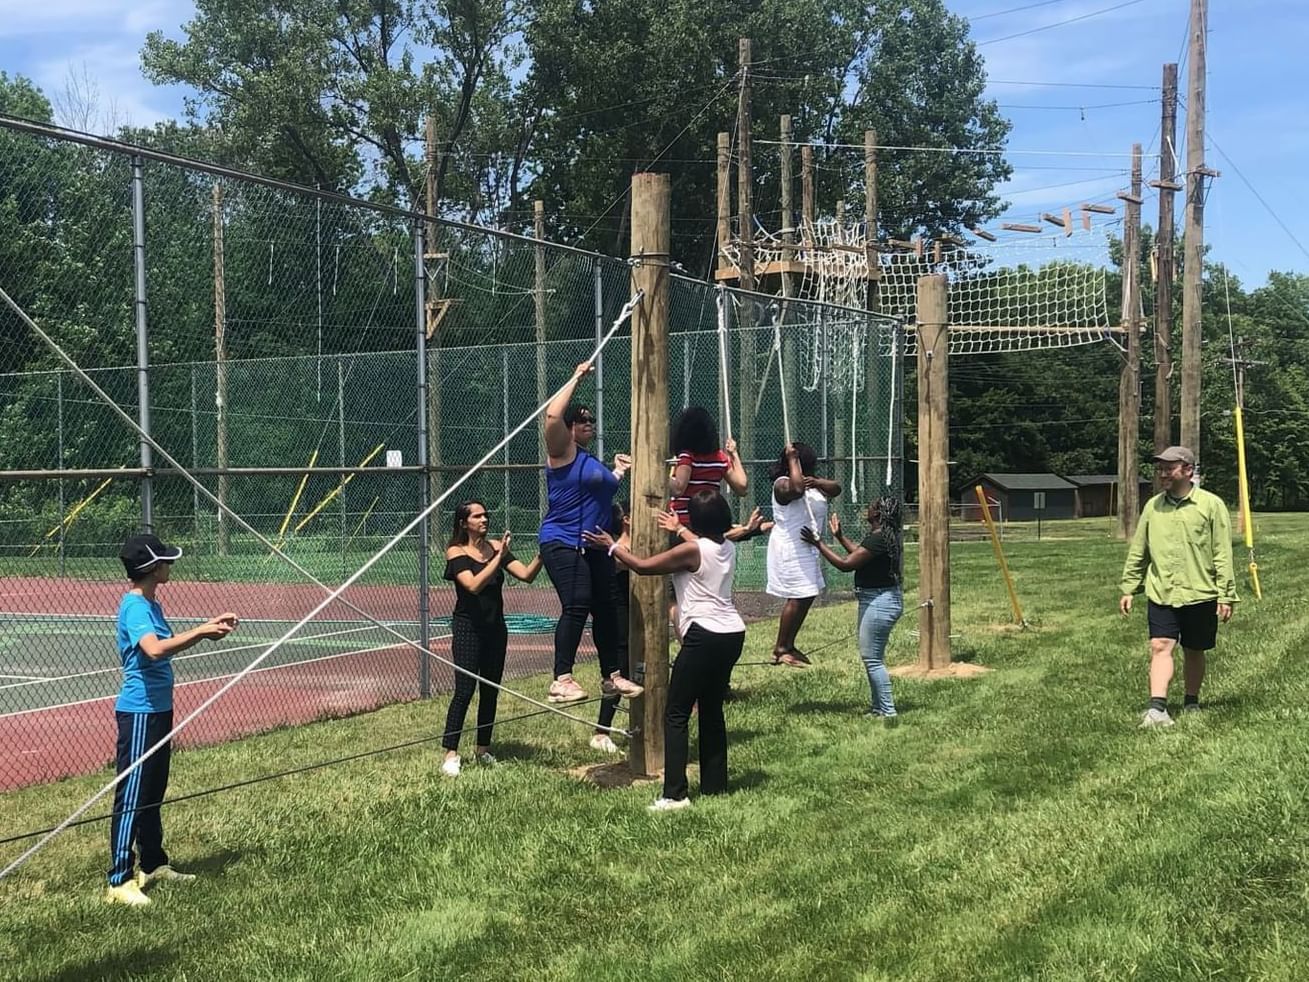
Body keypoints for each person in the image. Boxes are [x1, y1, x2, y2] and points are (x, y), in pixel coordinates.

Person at [584, 489, 746, 811]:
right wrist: (679, 528)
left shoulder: (692, 550)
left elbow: (643, 567)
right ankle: (716, 786)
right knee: (712, 711)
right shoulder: (726, 545)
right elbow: (699, 542)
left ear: (696, 521)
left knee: (675, 713)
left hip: (704, 635)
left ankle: (674, 794)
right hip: (732, 634)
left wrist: (612, 546)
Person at [106, 533, 239, 907]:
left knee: (152, 792)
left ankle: (153, 863)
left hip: (159, 709)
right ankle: (119, 879)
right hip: (139, 712)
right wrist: (199, 631)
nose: (171, 565)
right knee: (131, 795)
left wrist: (205, 629)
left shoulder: (153, 605)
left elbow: (165, 646)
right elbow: (153, 650)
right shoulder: (135, 607)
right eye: (165, 560)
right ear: (151, 568)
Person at [539, 361, 643, 705]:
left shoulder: (590, 461)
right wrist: (577, 376)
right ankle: (562, 678)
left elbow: (602, 490)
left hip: (594, 543)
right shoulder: (561, 452)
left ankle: (612, 676)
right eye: (582, 420)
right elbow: (552, 418)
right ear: (570, 427)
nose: (589, 424)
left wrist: (618, 471)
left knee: (607, 605)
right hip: (562, 541)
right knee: (578, 601)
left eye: (591, 420)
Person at [1119, 446, 1238, 728]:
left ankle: (1191, 700)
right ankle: (1157, 708)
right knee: (1161, 645)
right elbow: (1140, 549)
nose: (1162, 474)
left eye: (1169, 468)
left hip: (1200, 593)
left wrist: (1226, 594)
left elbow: (1222, 552)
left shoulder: (1211, 505)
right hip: (1162, 591)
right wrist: (1129, 586)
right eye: (1160, 469)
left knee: (1194, 649)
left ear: (1187, 470)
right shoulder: (1153, 507)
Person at [441, 501, 543, 777]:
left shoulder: (497, 547)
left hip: (496, 628)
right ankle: (450, 753)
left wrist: (544, 552)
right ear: (464, 523)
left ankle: (482, 749)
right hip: (467, 628)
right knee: (464, 691)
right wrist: (498, 559)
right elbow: (472, 585)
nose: (484, 519)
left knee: (490, 690)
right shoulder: (456, 551)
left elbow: (526, 575)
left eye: (485, 515)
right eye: (477, 516)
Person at [802, 497, 905, 722]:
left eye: (872, 505)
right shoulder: (884, 536)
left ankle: (888, 712)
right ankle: (879, 708)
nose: (867, 508)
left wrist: (818, 543)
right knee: (872, 657)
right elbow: (859, 555)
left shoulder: (880, 538)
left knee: (873, 659)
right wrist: (839, 537)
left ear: (878, 514)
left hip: (879, 601)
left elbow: (846, 564)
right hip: (880, 599)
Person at [766, 442, 841, 667]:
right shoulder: (782, 484)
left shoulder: (812, 484)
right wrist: (792, 460)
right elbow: (796, 490)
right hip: (790, 547)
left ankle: (788, 644)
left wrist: (816, 481)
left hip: (807, 546)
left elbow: (836, 488)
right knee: (799, 595)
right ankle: (781, 648)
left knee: (807, 595)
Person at [591, 501, 630, 755]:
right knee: (620, 672)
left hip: (635, 615)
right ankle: (601, 731)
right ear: (626, 519)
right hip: (615, 617)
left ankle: (641, 724)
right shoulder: (612, 545)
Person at [668, 406, 748, 523]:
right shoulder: (720, 458)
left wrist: (656, 474)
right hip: (709, 520)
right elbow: (742, 487)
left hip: (685, 521)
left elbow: (678, 489)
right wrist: (734, 455)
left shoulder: (687, 457)